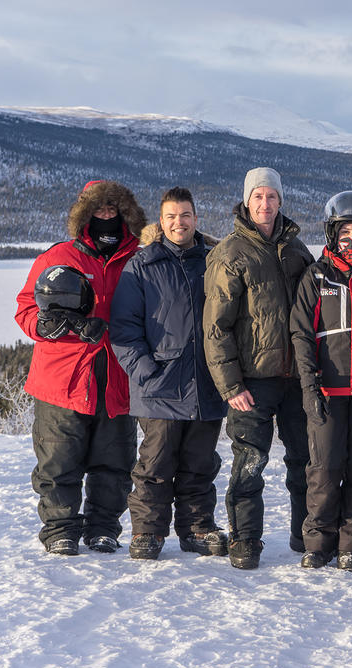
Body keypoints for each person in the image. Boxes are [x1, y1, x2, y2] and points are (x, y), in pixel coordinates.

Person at [14, 180, 146, 556]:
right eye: (99, 210)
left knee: (115, 459)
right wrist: (46, 326)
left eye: (113, 209)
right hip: (63, 377)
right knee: (58, 459)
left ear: (126, 213)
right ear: (84, 214)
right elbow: (26, 308)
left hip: (118, 375)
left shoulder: (140, 256)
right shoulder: (58, 257)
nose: (106, 216)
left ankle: (104, 527)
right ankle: (60, 529)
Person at [109, 187, 229, 561]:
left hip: (206, 384)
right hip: (160, 384)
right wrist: (146, 372)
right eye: (172, 217)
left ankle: (196, 529)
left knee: (200, 463)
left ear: (196, 219)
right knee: (155, 464)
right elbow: (124, 327)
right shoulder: (142, 265)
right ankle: (148, 531)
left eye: (186, 216)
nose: (179, 223)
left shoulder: (214, 261)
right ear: (161, 222)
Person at [203, 167, 314, 570]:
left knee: (305, 460)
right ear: (246, 202)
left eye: (271, 197)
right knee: (250, 461)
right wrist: (230, 385)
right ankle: (245, 539)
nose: (265, 204)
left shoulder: (297, 249)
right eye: (258, 197)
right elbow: (216, 327)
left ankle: (308, 534)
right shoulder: (231, 253)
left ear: (280, 201)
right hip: (251, 381)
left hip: (296, 379)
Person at [289, 191, 352, 572]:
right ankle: (317, 542)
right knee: (324, 467)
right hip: (327, 389)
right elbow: (301, 335)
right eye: (346, 231)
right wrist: (308, 386)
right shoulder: (316, 277)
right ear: (333, 234)